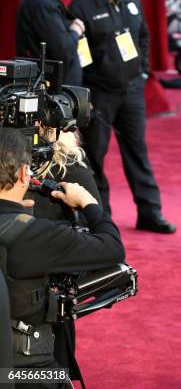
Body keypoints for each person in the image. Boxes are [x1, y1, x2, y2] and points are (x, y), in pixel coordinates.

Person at [0, 127, 125, 387]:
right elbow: (112, 248)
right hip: (29, 367)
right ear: (25, 174)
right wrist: (90, 204)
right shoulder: (39, 235)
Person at [69, 0, 176, 233]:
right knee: (94, 156)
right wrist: (87, 94)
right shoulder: (81, 6)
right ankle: (100, 218)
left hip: (132, 91)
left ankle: (150, 212)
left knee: (138, 150)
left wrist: (143, 72)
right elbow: (79, 55)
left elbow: (143, 36)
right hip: (99, 94)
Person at [24, 129, 102, 386]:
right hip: (40, 299)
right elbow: (110, 249)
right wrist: (90, 208)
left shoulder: (67, 164)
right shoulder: (68, 166)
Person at [16, 0, 85, 86]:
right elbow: (62, 50)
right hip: (53, 91)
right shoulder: (41, 3)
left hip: (59, 88)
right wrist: (75, 31)